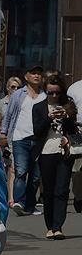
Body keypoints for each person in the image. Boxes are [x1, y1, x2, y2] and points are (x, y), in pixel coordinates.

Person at [32, 76, 77, 240]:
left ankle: (58, 227)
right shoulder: (38, 107)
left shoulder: (69, 105)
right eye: (50, 92)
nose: (54, 96)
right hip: (46, 152)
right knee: (49, 191)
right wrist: (49, 118)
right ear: (45, 91)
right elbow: (37, 132)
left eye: (57, 92)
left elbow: (73, 131)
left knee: (62, 190)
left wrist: (66, 117)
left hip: (65, 152)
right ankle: (50, 226)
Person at [2, 65, 47, 216]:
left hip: (39, 139)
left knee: (35, 176)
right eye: (33, 73)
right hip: (20, 138)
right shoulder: (18, 95)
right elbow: (9, 115)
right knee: (20, 171)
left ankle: (30, 205)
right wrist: (3, 133)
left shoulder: (44, 95)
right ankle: (19, 202)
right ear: (26, 77)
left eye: (39, 73)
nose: (36, 76)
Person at [0, 76, 23, 207]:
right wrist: (2, 134)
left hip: (17, 138)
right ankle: (1, 194)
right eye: (13, 87)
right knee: (3, 168)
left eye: (18, 87)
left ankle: (11, 198)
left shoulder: (23, 102)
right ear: (7, 88)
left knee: (13, 169)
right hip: (4, 139)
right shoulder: (1, 103)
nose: (15, 89)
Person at [67, 77, 82, 213]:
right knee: (78, 169)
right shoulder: (74, 88)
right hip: (78, 130)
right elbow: (68, 109)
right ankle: (79, 196)